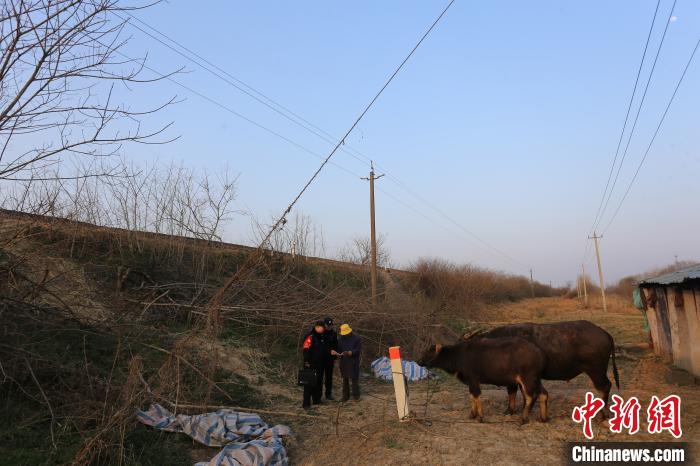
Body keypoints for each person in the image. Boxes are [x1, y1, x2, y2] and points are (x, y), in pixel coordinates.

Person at [302, 320, 328, 408]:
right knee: (309, 384)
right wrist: (307, 362)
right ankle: (306, 404)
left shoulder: (322, 336)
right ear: (317, 327)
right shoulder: (310, 336)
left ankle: (316, 400)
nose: (324, 329)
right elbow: (305, 349)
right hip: (310, 364)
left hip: (320, 364)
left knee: (318, 382)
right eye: (322, 327)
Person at [337, 323, 361, 401]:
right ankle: (345, 396)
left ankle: (356, 396)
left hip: (353, 361)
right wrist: (337, 354)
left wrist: (351, 352)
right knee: (345, 379)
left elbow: (358, 349)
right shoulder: (340, 339)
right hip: (344, 361)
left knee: (354, 379)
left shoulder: (356, 338)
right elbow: (339, 350)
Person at [323, 317, 339, 400]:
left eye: (331, 325)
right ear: (324, 324)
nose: (329, 327)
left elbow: (336, 345)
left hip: (330, 359)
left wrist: (336, 355)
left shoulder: (333, 333)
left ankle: (328, 394)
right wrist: (329, 351)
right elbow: (320, 346)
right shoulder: (320, 333)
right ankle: (317, 395)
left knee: (329, 377)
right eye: (328, 325)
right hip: (321, 358)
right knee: (319, 376)